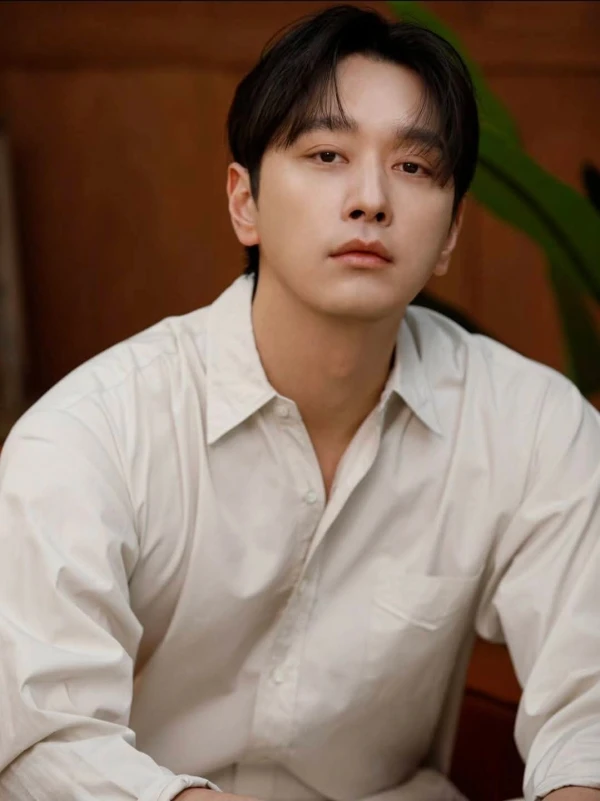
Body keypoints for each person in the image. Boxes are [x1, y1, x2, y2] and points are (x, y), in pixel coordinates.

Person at [0, 4, 598, 801]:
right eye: (326, 154)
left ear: (452, 231)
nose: (370, 199)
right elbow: (44, 740)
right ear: (243, 202)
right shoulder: (89, 436)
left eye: (412, 166)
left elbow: (591, 710)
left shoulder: (537, 427)